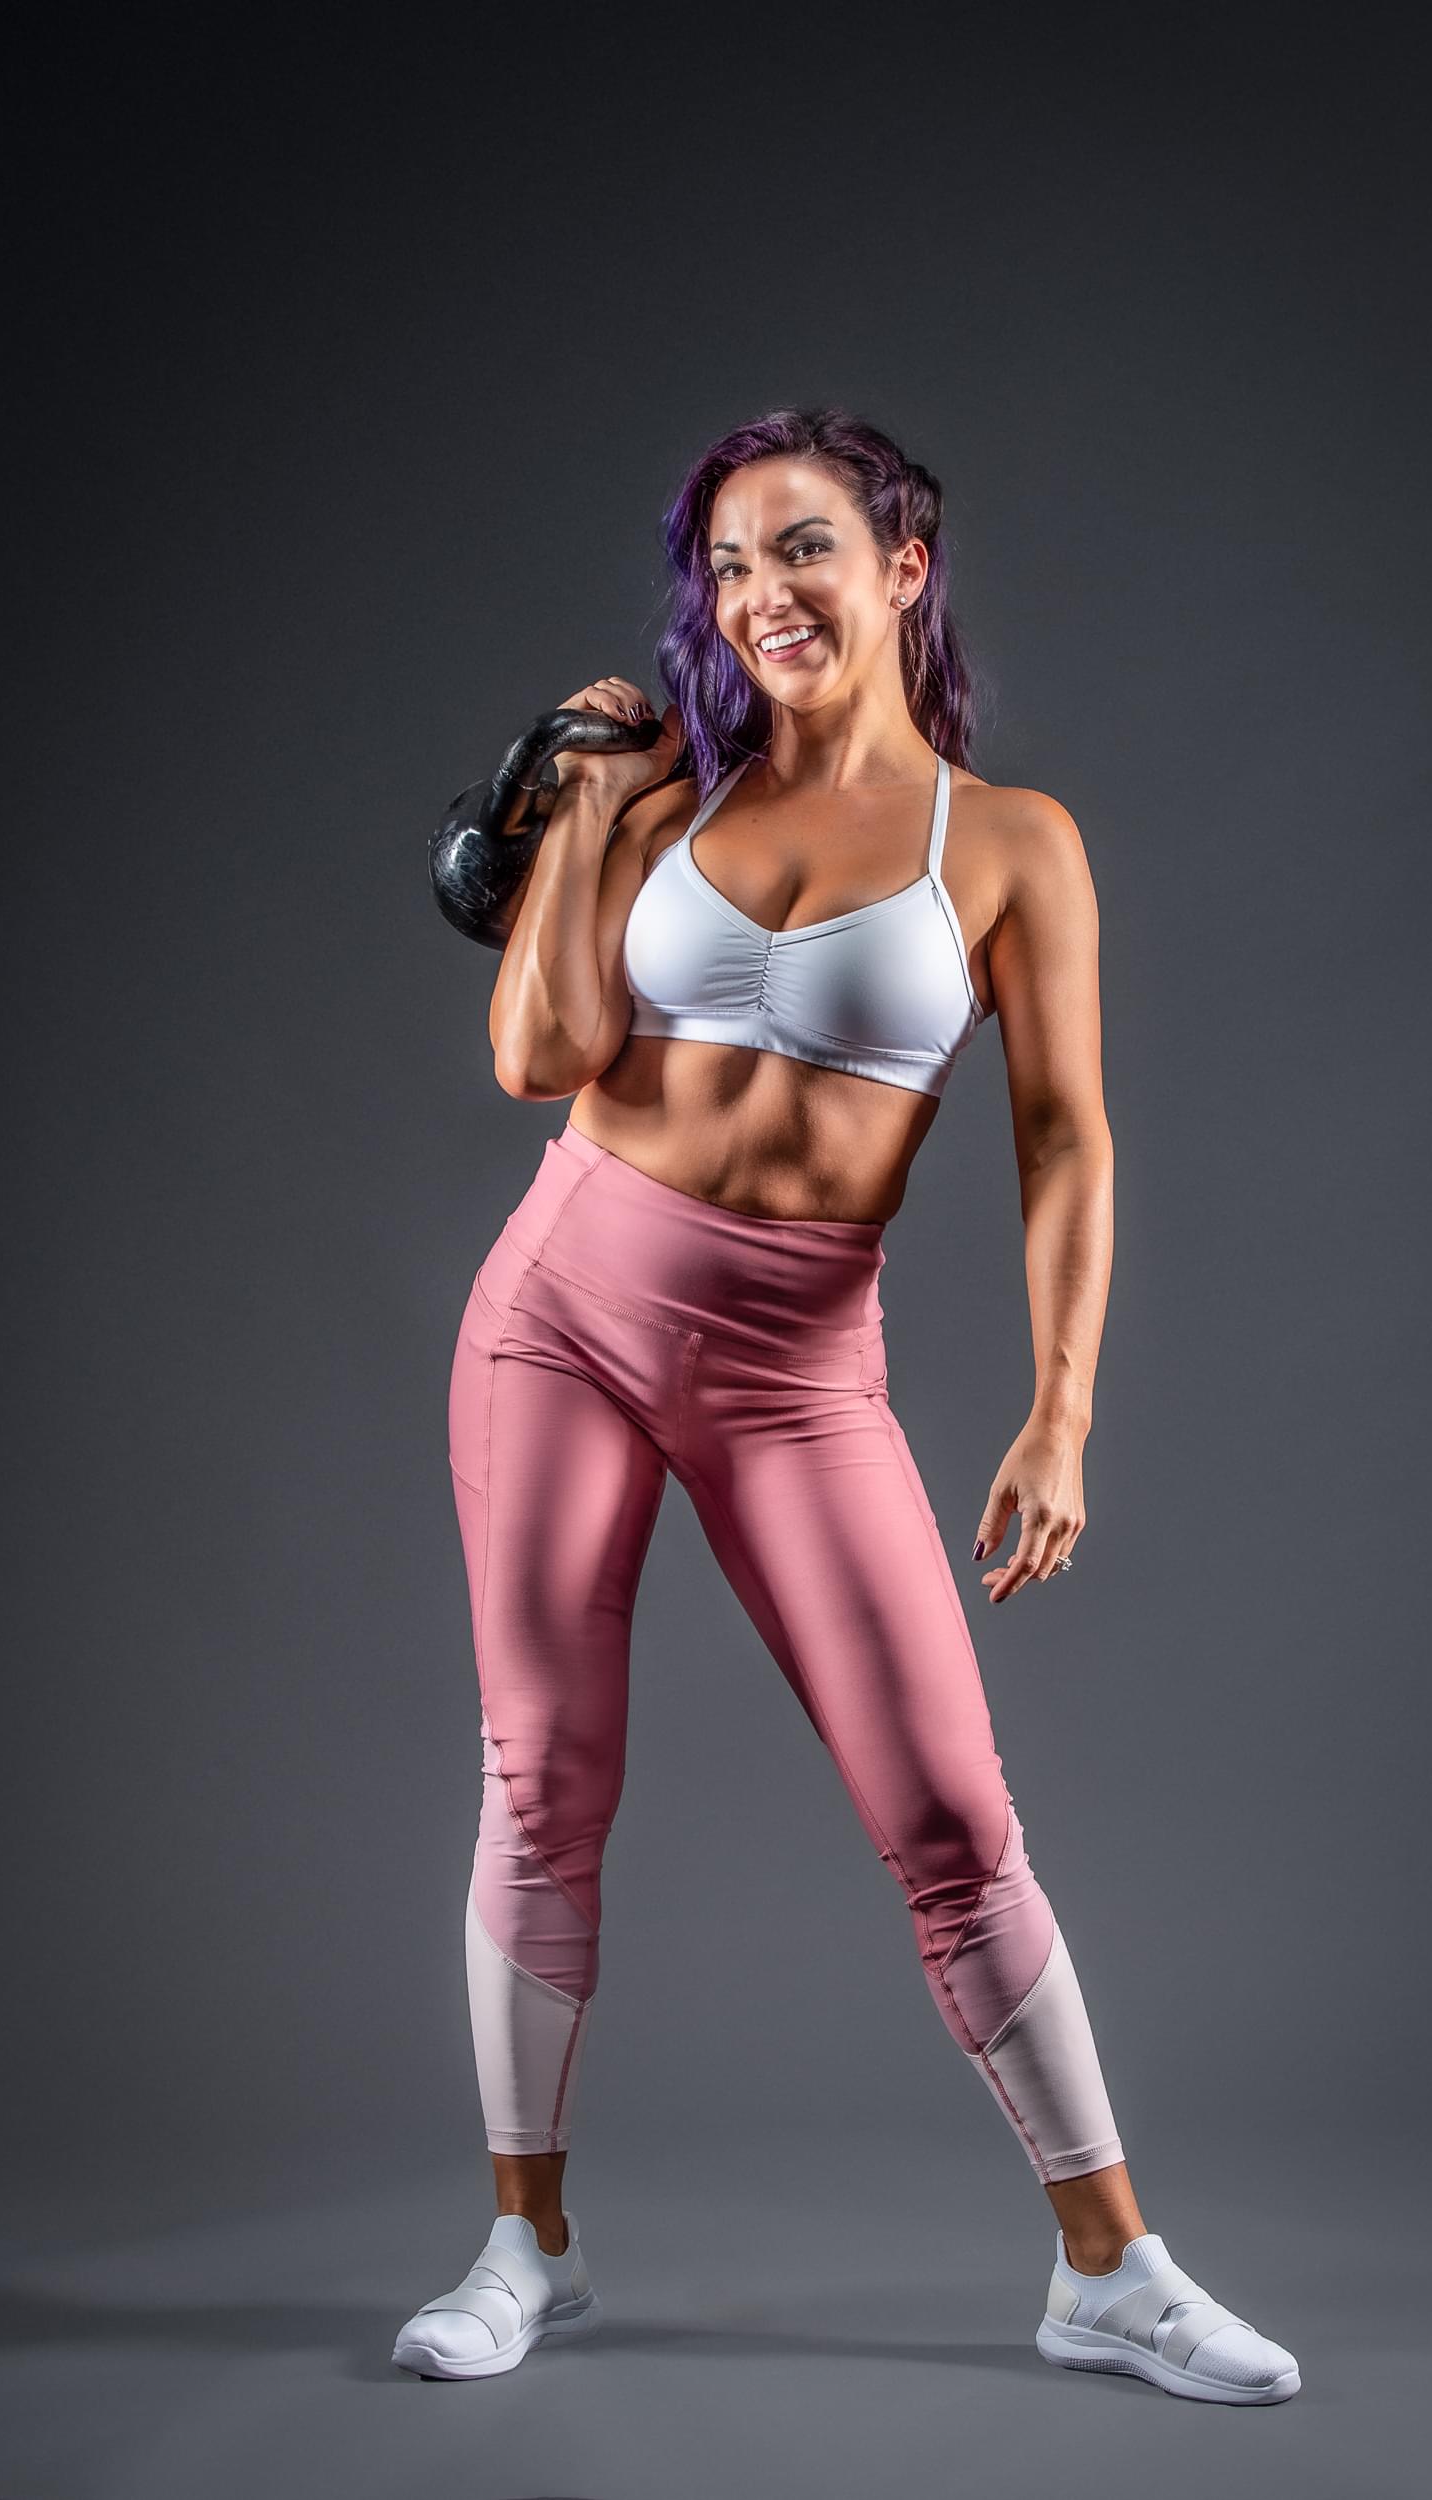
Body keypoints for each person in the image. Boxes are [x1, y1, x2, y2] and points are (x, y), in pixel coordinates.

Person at [391, 407, 1300, 2404]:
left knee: (950, 1814)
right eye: (725, 566)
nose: (759, 596)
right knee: (543, 1773)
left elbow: (1064, 1142)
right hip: (558, 1313)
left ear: (902, 565)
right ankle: (522, 2244)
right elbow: (539, 1051)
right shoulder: (664, 804)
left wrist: (1060, 1409)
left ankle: (1110, 2266)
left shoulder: (1012, 844)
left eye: (799, 547)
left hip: (797, 1363)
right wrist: (586, 805)